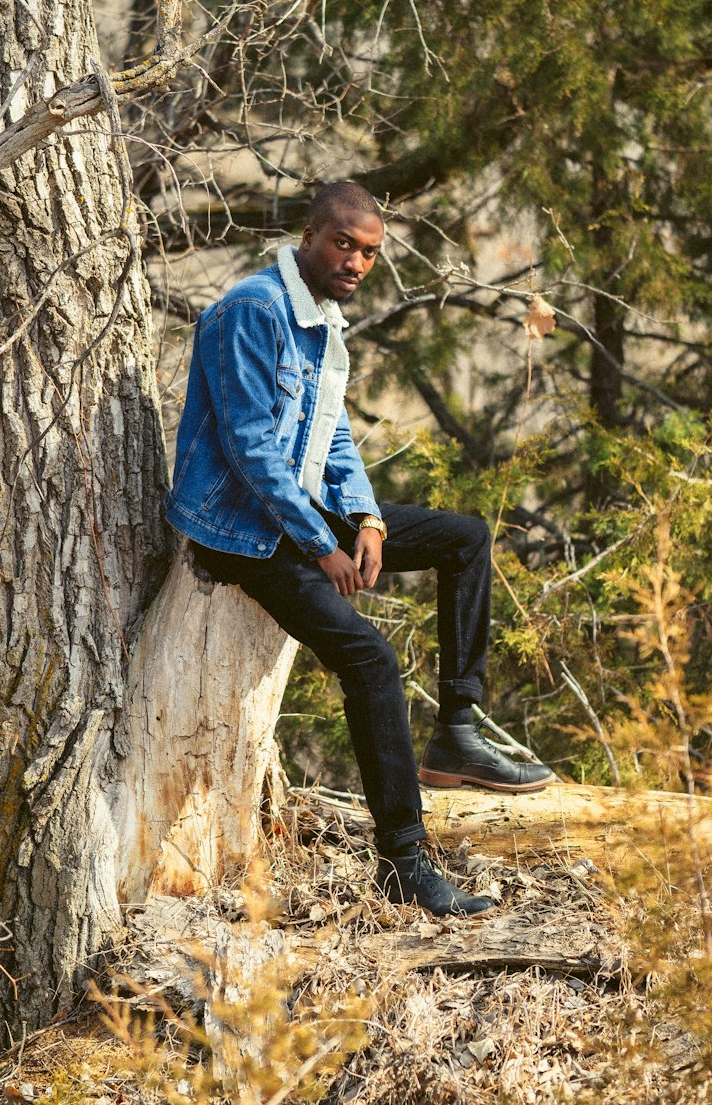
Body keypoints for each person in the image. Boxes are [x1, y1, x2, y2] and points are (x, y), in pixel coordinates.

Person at [165, 181, 556, 916]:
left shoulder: (323, 319)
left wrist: (368, 519)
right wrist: (321, 543)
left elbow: (332, 434)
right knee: (372, 660)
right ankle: (405, 860)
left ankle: (458, 731)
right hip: (239, 531)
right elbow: (249, 446)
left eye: (370, 253)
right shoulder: (253, 310)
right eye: (343, 244)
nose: (355, 262)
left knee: (464, 539)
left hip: (292, 511)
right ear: (309, 236)